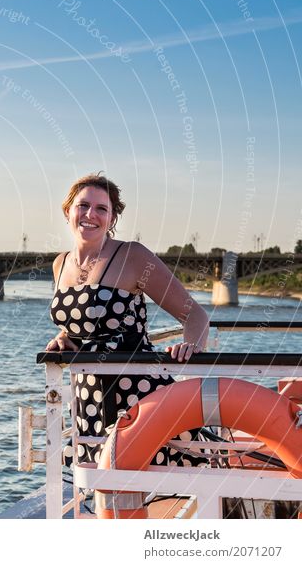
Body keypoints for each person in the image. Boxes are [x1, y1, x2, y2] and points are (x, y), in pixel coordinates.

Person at [46, 172, 209, 466]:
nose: (90, 214)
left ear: (112, 219)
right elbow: (82, 324)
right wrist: (65, 338)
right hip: (88, 395)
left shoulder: (133, 257)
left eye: (101, 209)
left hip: (139, 392)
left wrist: (192, 348)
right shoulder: (60, 264)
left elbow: (195, 315)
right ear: (67, 211)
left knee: (149, 483)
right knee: (99, 488)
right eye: (83, 205)